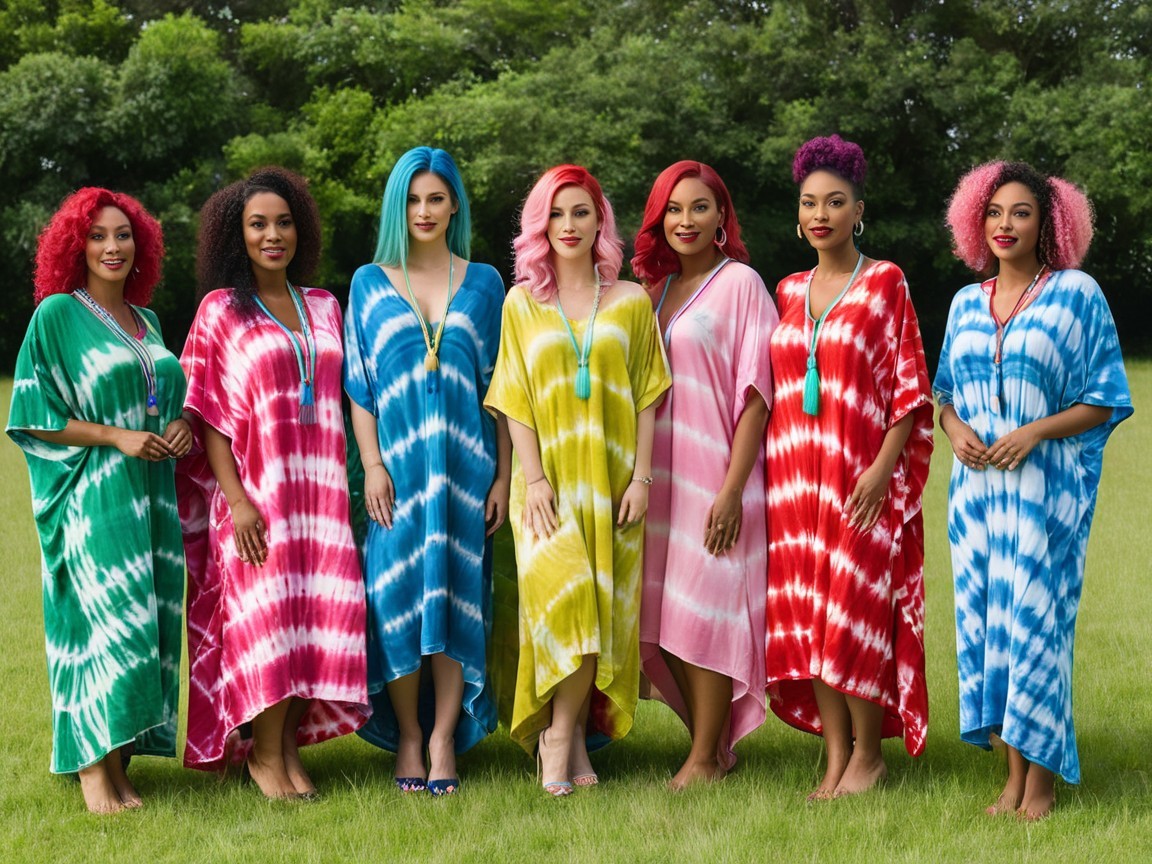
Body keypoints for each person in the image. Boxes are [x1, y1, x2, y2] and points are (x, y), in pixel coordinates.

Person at [934, 161, 1132, 821]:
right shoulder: (967, 303)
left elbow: (1103, 399)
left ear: (1050, 222)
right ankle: (1012, 780)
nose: (1005, 224)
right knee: (992, 629)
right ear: (975, 221)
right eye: (993, 212)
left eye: (1020, 212)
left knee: (1036, 631)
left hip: (1043, 497)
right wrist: (956, 428)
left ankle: (1039, 787)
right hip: (976, 501)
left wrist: (1035, 433)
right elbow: (945, 395)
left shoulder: (1075, 294)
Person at [177, 167, 370, 800]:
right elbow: (206, 413)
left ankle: (285, 749)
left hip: (321, 497)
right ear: (237, 235)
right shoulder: (219, 312)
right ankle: (263, 755)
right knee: (265, 624)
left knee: (306, 621)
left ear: (301, 229)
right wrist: (237, 500)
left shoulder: (324, 305)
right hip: (258, 496)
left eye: (283, 221)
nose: (272, 234)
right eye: (258, 224)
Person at [484, 165, 670, 796]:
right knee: (564, 604)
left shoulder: (631, 301)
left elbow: (648, 395)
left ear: (600, 223)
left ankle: (567, 739)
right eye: (557, 214)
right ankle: (560, 737)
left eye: (582, 213)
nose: (569, 225)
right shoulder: (520, 304)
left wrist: (641, 478)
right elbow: (514, 399)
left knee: (598, 613)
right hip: (545, 487)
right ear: (541, 224)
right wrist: (532, 479)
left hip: (613, 484)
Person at [7, 188, 190, 814]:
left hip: (151, 500)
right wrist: (116, 435)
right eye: (97, 236)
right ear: (74, 246)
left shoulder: (149, 321)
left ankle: (119, 762)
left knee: (146, 628)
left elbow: (160, 401)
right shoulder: (57, 315)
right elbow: (33, 414)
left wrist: (179, 424)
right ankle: (91, 771)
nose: (113, 247)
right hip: (93, 496)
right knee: (102, 624)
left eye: (123, 235)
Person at [764, 135, 933, 799]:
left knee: (854, 612)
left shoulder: (885, 281)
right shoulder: (787, 289)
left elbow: (909, 388)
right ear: (798, 213)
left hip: (858, 478)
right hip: (795, 482)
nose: (822, 213)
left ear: (859, 209)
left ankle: (869, 755)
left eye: (836, 201)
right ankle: (834, 759)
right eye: (810, 202)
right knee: (810, 617)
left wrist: (880, 468)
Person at [344, 147, 509, 795]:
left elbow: (503, 391)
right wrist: (373, 465)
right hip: (398, 478)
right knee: (397, 600)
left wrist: (501, 478)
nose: (424, 211)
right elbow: (361, 387)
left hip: (468, 475)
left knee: (453, 600)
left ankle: (443, 738)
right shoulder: (368, 282)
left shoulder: (488, 283)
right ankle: (406, 733)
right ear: (397, 206)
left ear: (454, 205)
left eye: (436, 198)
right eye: (412, 200)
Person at [632, 160, 778, 790]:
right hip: (656, 480)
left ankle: (702, 759)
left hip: (716, 474)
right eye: (673, 209)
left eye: (699, 207)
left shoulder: (740, 282)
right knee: (662, 619)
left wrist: (731, 489)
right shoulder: (651, 295)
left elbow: (757, 395)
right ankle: (710, 745)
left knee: (708, 611)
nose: (685, 220)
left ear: (722, 217)